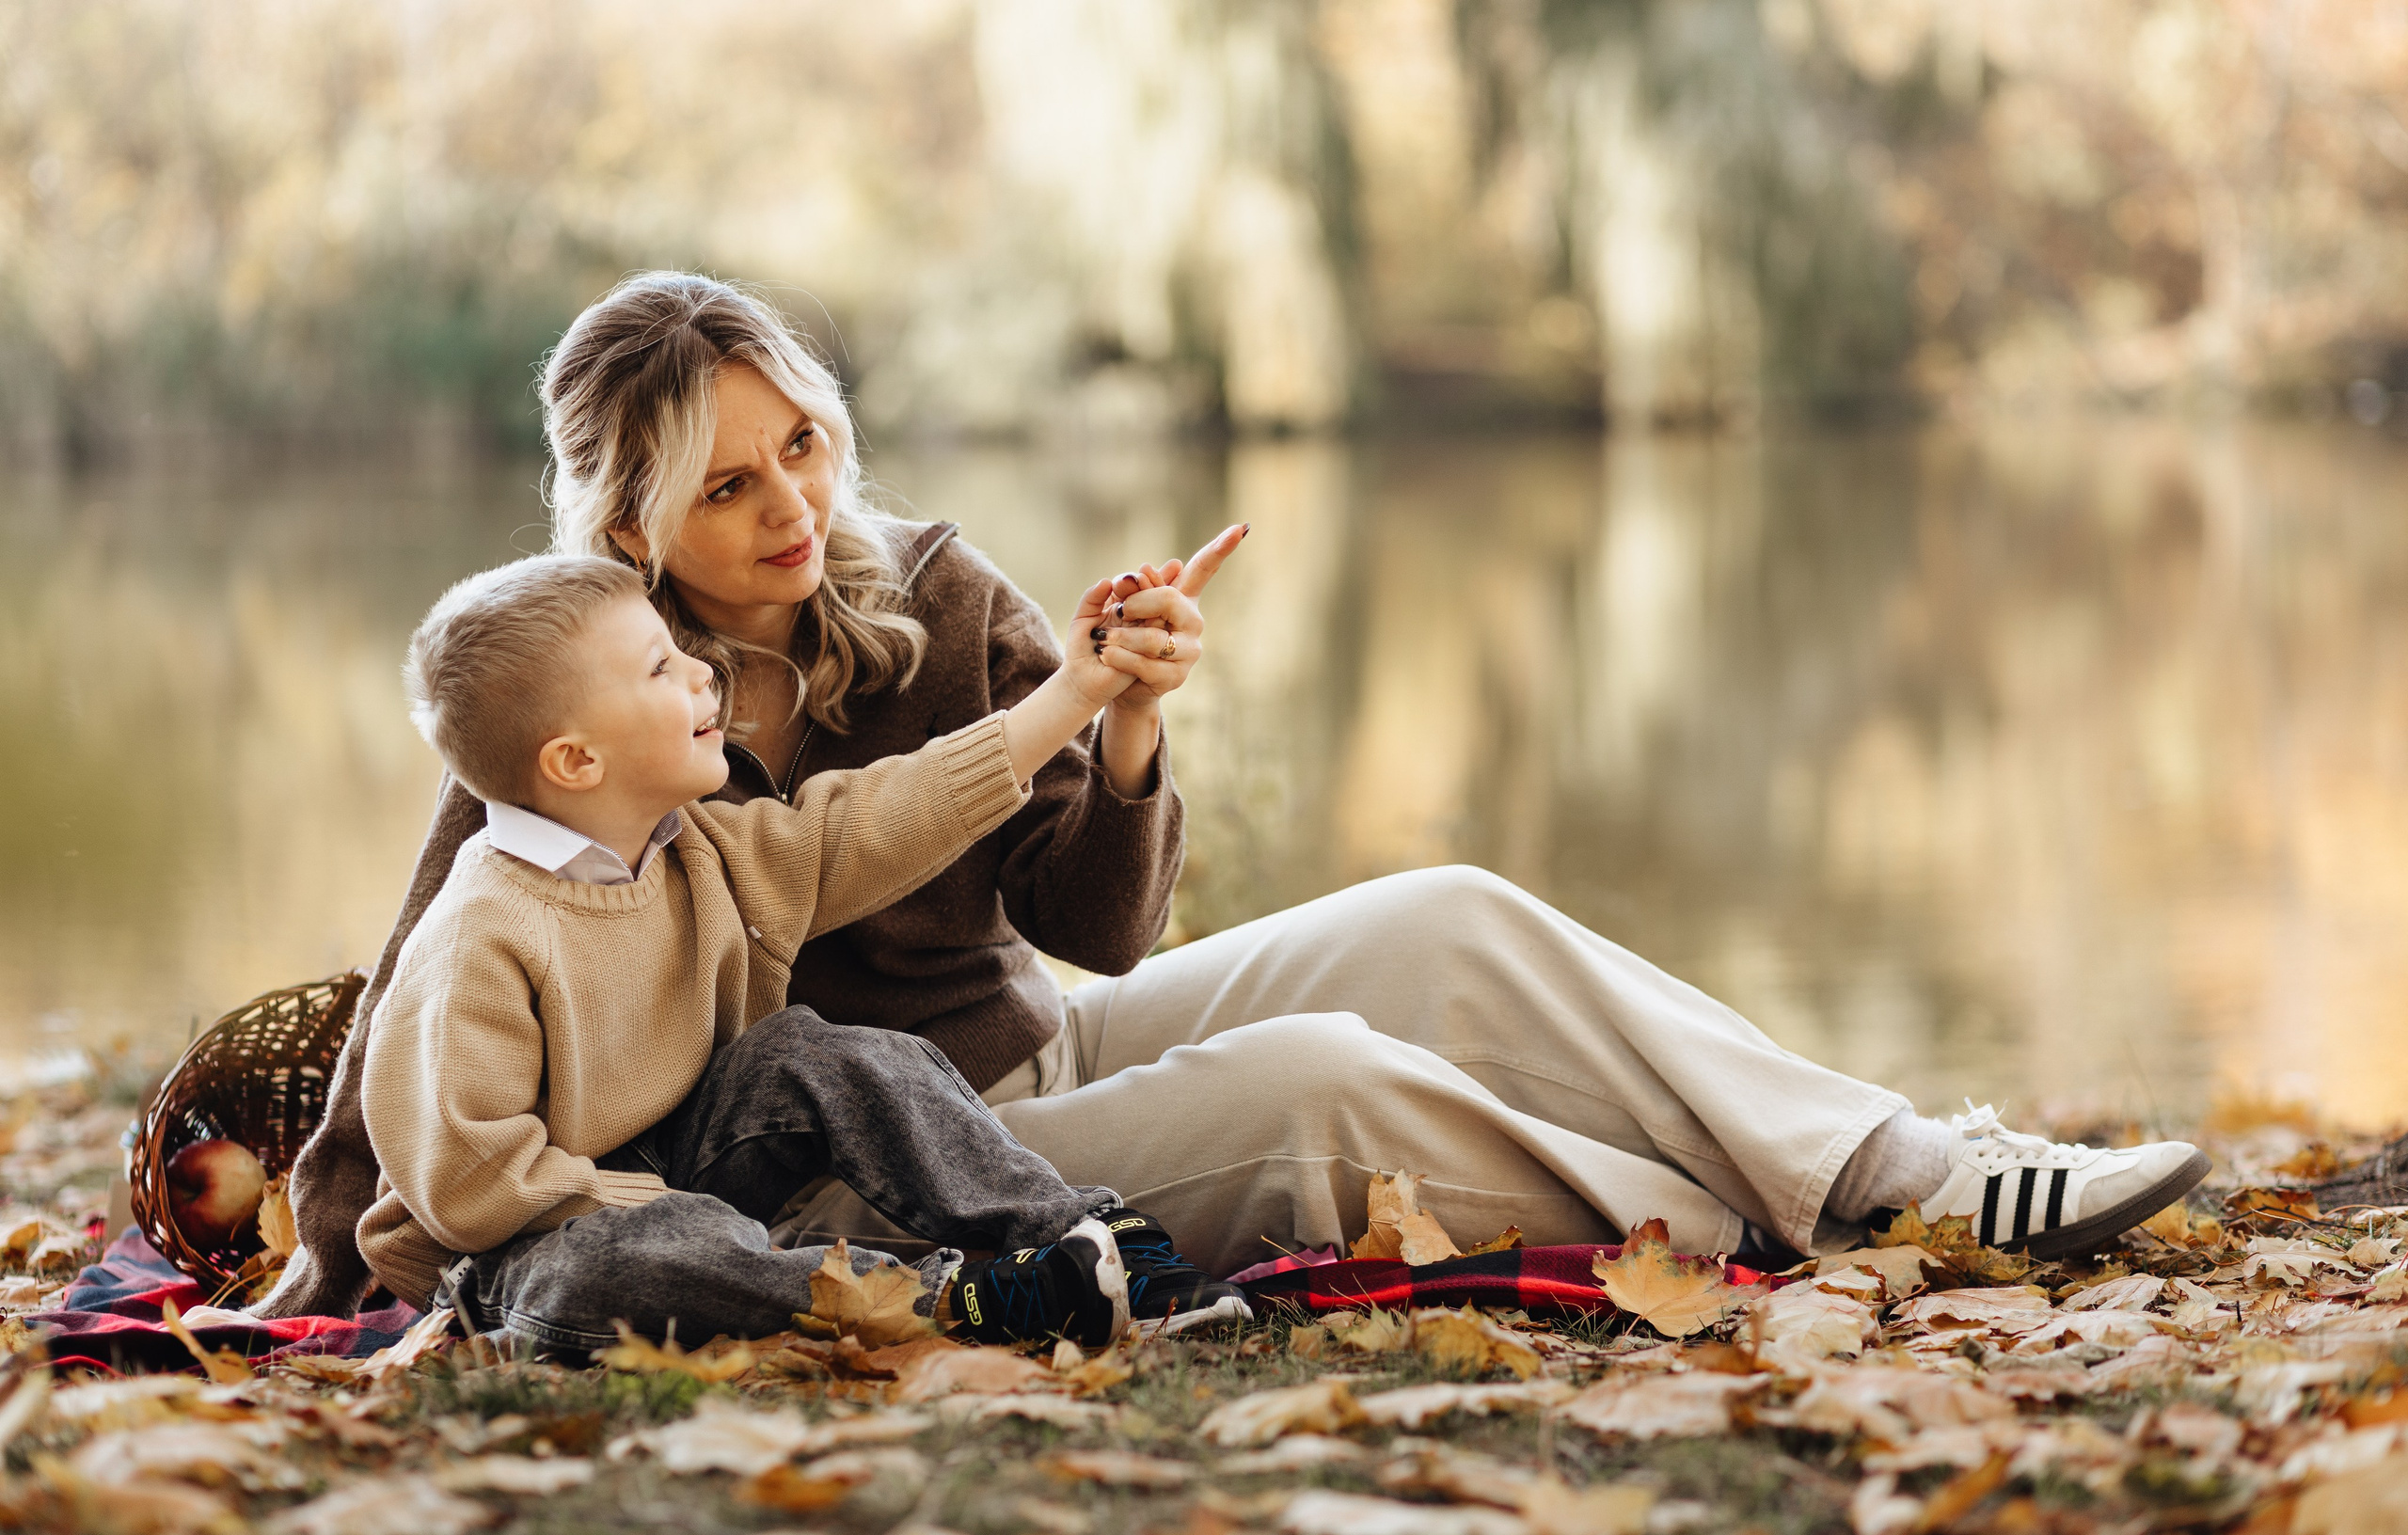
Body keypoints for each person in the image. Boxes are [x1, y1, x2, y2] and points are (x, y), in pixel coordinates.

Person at [260, 271, 2207, 1322]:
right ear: (628, 525)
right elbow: (423, 984)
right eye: (729, 485)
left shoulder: (930, 587)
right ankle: (1753, 1227)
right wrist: (330, 1260)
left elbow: (1100, 930)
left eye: (804, 445)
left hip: (1044, 1037)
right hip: (882, 1157)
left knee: (1445, 916)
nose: (795, 506)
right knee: (1318, 1086)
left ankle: (1897, 1163)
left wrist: (1120, 732)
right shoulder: (578, 704)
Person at [361, 551, 1248, 1354]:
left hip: (677, 1165)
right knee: (615, 1265)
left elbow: (881, 817)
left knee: (812, 1050)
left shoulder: (699, 849)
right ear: (577, 760)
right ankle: (963, 1299)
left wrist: (1079, 691)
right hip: (516, 1247)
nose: (703, 672)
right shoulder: (482, 933)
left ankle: (1094, 1239)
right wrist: (670, 1214)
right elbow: (473, 1182)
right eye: (661, 668)